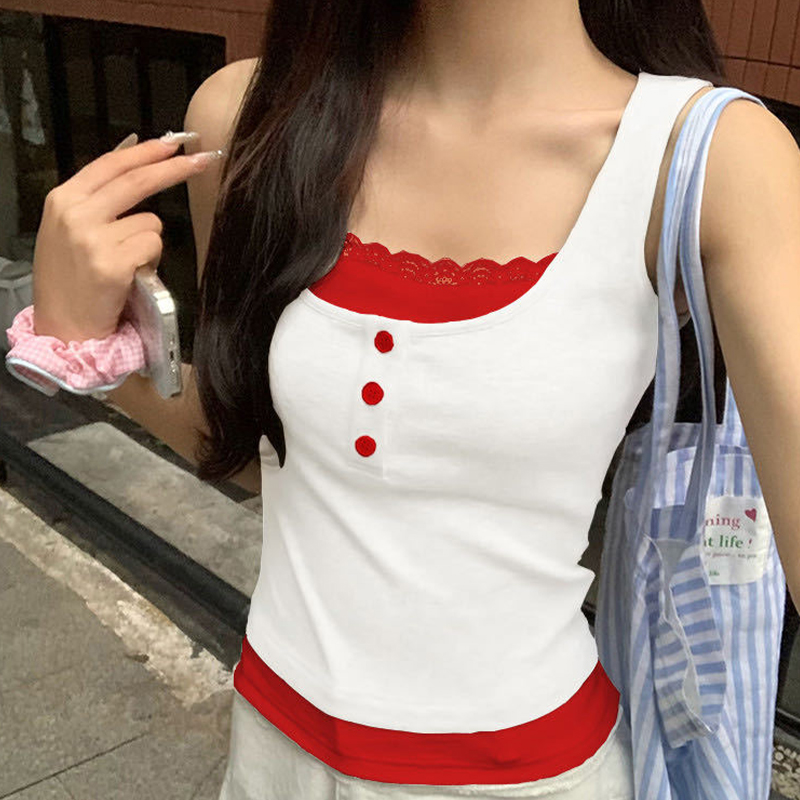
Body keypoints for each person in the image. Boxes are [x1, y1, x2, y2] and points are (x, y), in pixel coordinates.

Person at [23, 0, 800, 798]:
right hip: (269, 752)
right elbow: (259, 456)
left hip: (525, 774)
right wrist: (93, 351)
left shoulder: (709, 159)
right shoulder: (252, 114)